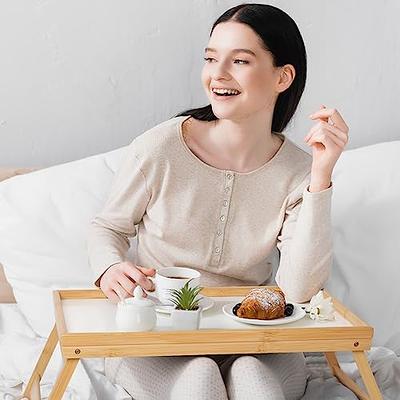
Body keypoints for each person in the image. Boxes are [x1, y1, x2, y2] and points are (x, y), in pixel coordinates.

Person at [87, 3, 349, 399]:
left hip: (256, 343)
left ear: (283, 76)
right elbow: (108, 227)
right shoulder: (160, 148)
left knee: (251, 380)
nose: (217, 75)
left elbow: (298, 291)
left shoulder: (298, 170)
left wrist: (320, 177)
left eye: (240, 60)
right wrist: (109, 267)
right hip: (158, 337)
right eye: (211, 58)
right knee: (199, 379)